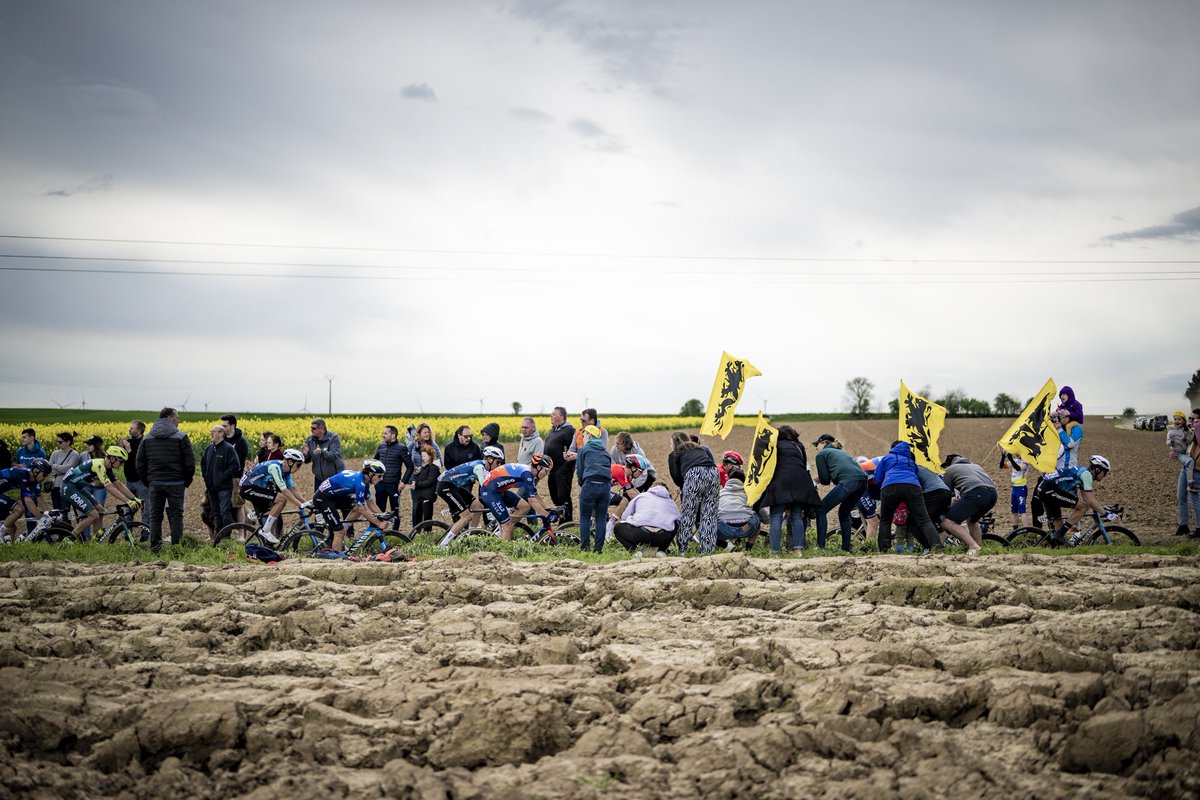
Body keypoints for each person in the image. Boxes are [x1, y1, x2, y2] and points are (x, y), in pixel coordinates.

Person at [135, 407, 196, 554]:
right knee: (176, 516)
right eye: (177, 417)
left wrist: (148, 481)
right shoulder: (181, 437)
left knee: (155, 516)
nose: (179, 420)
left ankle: (155, 549)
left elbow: (140, 463)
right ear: (169, 418)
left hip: (155, 483)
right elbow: (190, 463)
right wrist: (185, 481)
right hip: (176, 483)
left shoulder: (147, 437)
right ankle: (177, 549)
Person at [753, 426, 820, 554]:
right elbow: (803, 463)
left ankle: (775, 551)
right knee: (796, 516)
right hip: (800, 482)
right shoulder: (799, 446)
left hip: (780, 482)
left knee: (776, 516)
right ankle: (798, 549)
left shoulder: (774, 445)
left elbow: (766, 465)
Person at [873, 440, 942, 555]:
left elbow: (878, 477)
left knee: (886, 520)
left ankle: (884, 550)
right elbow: (915, 474)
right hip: (913, 487)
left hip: (890, 485)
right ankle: (938, 548)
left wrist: (884, 487)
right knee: (924, 520)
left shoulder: (887, 458)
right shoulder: (911, 462)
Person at [62, 447, 142, 542]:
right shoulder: (99, 465)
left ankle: (95, 541)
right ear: (112, 459)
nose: (121, 465)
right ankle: (69, 539)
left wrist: (134, 498)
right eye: (121, 462)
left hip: (78, 487)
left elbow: (119, 485)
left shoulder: (107, 466)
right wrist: (127, 501)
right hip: (69, 488)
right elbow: (110, 488)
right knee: (93, 515)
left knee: (100, 511)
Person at [313, 460, 391, 553]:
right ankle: (335, 560)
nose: (381, 479)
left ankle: (342, 530)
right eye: (379, 476)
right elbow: (361, 508)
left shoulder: (364, 481)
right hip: (323, 499)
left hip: (334, 496)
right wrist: (378, 523)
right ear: (370, 474)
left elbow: (370, 503)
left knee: (356, 509)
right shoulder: (360, 483)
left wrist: (382, 516)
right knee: (339, 531)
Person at [1033, 455, 1113, 544]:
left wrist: (1102, 509)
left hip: (1045, 489)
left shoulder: (1084, 473)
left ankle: (1056, 544)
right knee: (1083, 507)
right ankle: (1059, 535)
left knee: (1059, 531)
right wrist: (1106, 513)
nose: (1104, 476)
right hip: (1049, 490)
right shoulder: (1086, 475)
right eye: (1105, 472)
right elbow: (1090, 501)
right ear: (1098, 469)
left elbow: (1087, 499)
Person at [477, 453, 556, 541]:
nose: (547, 474)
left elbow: (535, 495)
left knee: (525, 507)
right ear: (538, 467)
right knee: (507, 526)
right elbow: (532, 500)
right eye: (546, 470)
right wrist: (547, 515)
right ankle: (504, 550)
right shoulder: (527, 474)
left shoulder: (529, 474)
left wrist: (548, 510)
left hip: (498, 491)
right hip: (489, 491)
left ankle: (506, 529)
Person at [238, 449, 310, 544]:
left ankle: (267, 543)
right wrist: (300, 504)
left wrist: (306, 503)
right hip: (248, 488)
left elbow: (293, 489)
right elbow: (284, 490)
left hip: (257, 488)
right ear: (290, 462)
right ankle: (265, 531)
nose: (299, 468)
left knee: (273, 511)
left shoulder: (286, 471)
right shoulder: (275, 467)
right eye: (298, 465)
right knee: (281, 499)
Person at [668, 430, 721, 555]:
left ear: (675, 442)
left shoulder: (674, 454)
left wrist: (684, 486)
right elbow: (712, 462)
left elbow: (676, 476)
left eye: (671, 442)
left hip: (694, 475)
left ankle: (682, 549)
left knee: (689, 513)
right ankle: (707, 551)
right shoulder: (701, 448)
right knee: (709, 515)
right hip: (713, 474)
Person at [813, 434, 869, 551]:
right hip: (863, 481)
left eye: (816, 445)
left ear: (823, 443)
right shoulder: (842, 452)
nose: (816, 448)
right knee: (844, 512)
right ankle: (846, 547)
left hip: (848, 482)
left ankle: (820, 546)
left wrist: (816, 480)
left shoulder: (822, 454)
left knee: (821, 510)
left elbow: (824, 480)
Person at [437, 446, 507, 530]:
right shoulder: (479, 467)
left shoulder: (484, 468)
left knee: (478, 507)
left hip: (454, 486)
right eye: (498, 462)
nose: (499, 465)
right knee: (466, 517)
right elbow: (485, 488)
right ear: (490, 460)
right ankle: (444, 543)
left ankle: (470, 534)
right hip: (445, 485)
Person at [939, 455, 998, 555]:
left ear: (950, 464)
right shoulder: (976, 466)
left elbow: (946, 493)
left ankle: (973, 546)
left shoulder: (950, 469)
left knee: (948, 523)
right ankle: (979, 548)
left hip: (976, 493)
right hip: (993, 495)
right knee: (972, 520)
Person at [614, 484, 681, 557]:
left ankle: (634, 551)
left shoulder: (641, 496)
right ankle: (661, 551)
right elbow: (679, 520)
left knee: (617, 528)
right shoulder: (670, 502)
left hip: (640, 534)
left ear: (651, 488)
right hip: (662, 537)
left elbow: (624, 516)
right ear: (667, 492)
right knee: (675, 523)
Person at [576, 426, 613, 552]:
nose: (582, 437)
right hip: (605, 487)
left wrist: (582, 483)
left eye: (584, 435)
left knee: (585, 517)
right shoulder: (606, 452)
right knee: (601, 519)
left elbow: (580, 470)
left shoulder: (583, 450)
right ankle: (598, 549)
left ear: (590, 435)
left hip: (590, 484)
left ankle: (585, 548)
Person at [201, 424, 240, 535]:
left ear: (221, 433)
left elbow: (235, 465)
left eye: (213, 431)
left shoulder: (228, 449)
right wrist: (206, 476)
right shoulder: (209, 448)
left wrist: (223, 476)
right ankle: (218, 534)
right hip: (211, 487)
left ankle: (226, 536)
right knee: (215, 512)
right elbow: (203, 464)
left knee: (225, 511)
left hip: (224, 487)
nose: (211, 433)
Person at [0, 460, 50, 543]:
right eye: (45, 474)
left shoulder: (34, 480)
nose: (45, 478)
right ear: (36, 471)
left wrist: (49, 514)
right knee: (19, 509)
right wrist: (40, 517)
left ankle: (8, 549)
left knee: (11, 529)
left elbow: (40, 497)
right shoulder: (23, 475)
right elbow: (28, 501)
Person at [1169, 410, 1200, 536]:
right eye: (1190, 419)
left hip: (1197, 469)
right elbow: (1184, 444)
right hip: (1186, 467)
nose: (1191, 421)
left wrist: (1197, 426)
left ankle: (1199, 528)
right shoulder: (1191, 431)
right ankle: (1183, 525)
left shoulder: (1198, 429)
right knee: (1181, 496)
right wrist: (1175, 451)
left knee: (1195, 500)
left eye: (1194, 419)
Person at [543, 407, 576, 522]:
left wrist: (567, 467)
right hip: (552, 469)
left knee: (563, 496)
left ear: (561, 417)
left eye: (554, 414)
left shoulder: (569, 430)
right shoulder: (552, 430)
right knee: (554, 496)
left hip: (563, 469)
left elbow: (573, 449)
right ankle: (561, 517)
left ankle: (567, 521)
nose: (551, 416)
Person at [372, 424, 414, 514]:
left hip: (394, 485)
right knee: (379, 510)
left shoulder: (401, 448)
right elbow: (374, 462)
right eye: (383, 433)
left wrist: (403, 482)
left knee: (395, 511)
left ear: (393, 435)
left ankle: (395, 528)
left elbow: (410, 466)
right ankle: (379, 527)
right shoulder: (381, 446)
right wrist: (374, 478)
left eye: (386, 433)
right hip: (380, 484)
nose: (383, 435)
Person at [717, 466, 760, 549]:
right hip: (745, 528)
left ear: (728, 479)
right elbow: (764, 515)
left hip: (723, 529)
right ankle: (748, 547)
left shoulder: (720, 493)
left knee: (709, 525)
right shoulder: (749, 494)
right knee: (757, 516)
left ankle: (726, 546)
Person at [407, 422, 442, 525]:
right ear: (419, 433)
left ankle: (426, 530)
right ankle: (415, 529)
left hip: (428, 478)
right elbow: (407, 456)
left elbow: (440, 460)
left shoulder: (433, 445)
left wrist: (430, 467)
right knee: (416, 504)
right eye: (424, 432)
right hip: (416, 478)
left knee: (427, 506)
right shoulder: (413, 445)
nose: (427, 434)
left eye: (428, 432)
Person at [220, 415, 251, 523]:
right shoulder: (220, 440)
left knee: (238, 504)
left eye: (225, 425)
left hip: (235, 478)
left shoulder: (241, 442)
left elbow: (239, 463)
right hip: (221, 478)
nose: (222, 428)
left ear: (232, 425)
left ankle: (241, 532)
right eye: (221, 425)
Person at [303, 419, 344, 487]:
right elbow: (307, 460)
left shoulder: (333, 438)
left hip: (335, 477)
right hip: (319, 479)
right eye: (311, 428)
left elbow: (333, 456)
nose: (311, 430)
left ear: (321, 429)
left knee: (336, 497)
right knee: (318, 498)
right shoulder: (309, 440)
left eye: (314, 428)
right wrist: (305, 454)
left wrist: (321, 452)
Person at [48, 432, 82, 512]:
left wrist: (55, 466)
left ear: (68, 442)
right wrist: (58, 468)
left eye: (60, 442)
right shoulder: (55, 453)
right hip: (55, 486)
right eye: (57, 441)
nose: (58, 444)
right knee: (56, 511)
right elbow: (49, 467)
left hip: (66, 486)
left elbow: (68, 469)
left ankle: (68, 523)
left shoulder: (74, 454)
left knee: (65, 511)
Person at [120, 420, 149, 511]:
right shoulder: (129, 442)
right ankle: (128, 525)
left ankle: (145, 526)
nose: (129, 430)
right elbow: (121, 461)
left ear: (139, 431)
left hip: (141, 482)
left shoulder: (145, 443)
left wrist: (129, 450)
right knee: (127, 511)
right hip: (129, 481)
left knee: (145, 511)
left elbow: (140, 460)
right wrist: (121, 448)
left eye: (132, 428)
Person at [411, 445, 441, 526]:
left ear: (430, 456)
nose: (422, 458)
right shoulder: (425, 467)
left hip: (428, 496)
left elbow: (430, 481)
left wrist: (417, 484)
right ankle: (418, 533)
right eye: (422, 456)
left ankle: (427, 533)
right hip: (421, 495)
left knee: (427, 517)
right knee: (418, 515)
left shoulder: (434, 468)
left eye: (424, 456)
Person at [1000, 452, 1030, 530]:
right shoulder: (1015, 460)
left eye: (1018, 453)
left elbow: (1019, 468)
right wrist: (1003, 457)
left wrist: (1010, 459)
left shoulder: (1026, 461)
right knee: (1014, 511)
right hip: (1014, 488)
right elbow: (1002, 466)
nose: (1017, 454)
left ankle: (1027, 530)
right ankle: (1015, 529)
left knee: (1022, 510)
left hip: (1021, 488)